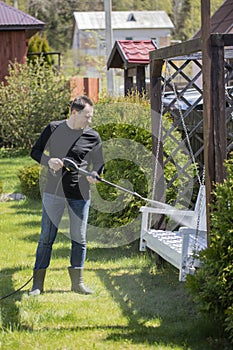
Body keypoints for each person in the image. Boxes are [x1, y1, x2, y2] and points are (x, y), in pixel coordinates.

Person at [29, 95, 104, 296]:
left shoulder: (92, 136)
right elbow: (35, 152)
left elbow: (99, 163)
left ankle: (77, 283)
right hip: (53, 193)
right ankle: (37, 285)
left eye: (91, 117)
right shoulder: (53, 128)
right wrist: (48, 161)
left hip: (80, 195)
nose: (90, 121)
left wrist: (95, 175)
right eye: (87, 116)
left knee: (79, 238)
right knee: (46, 237)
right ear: (74, 112)